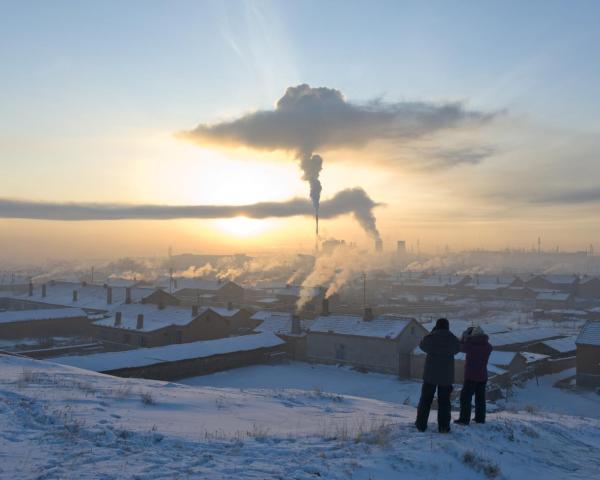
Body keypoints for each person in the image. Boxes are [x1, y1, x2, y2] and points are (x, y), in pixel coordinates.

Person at [415, 318, 460, 433]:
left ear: (437, 326)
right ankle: (444, 427)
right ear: (447, 327)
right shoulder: (452, 339)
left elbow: (422, 345)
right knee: (444, 402)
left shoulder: (431, 338)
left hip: (430, 375)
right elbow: (458, 348)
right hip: (446, 377)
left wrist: (432, 333)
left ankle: (421, 425)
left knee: (425, 400)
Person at [454, 325, 493, 425]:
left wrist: (465, 336)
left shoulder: (470, 346)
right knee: (480, 398)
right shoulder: (488, 347)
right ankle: (480, 418)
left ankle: (464, 419)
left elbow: (460, 346)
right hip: (483, 376)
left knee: (465, 397)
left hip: (471, 376)